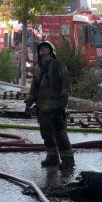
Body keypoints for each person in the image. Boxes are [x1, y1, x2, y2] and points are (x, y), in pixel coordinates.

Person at [25, 40, 74, 170]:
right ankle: (52, 157)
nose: (42, 50)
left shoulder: (58, 65)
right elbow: (33, 89)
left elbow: (66, 82)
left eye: (46, 47)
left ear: (51, 51)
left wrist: (62, 104)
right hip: (42, 108)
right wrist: (28, 103)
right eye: (41, 48)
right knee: (46, 134)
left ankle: (68, 160)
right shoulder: (37, 69)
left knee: (60, 134)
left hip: (56, 106)